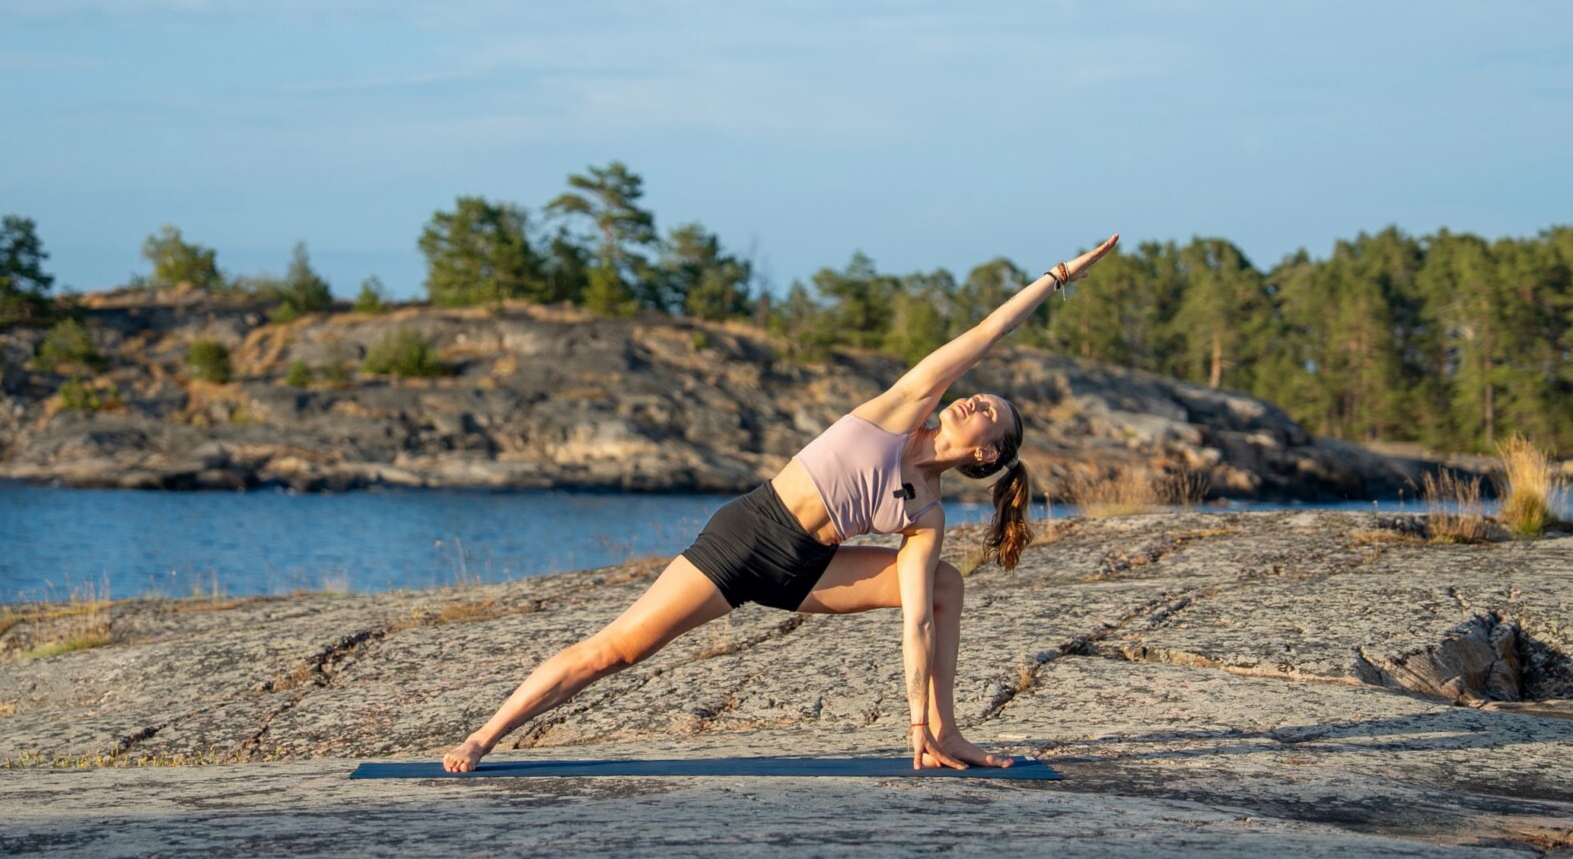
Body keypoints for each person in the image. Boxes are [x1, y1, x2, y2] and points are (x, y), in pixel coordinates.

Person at [443, 235, 1121, 772]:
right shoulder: (902, 407)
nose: (977, 401)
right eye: (981, 396)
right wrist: (1057, 277)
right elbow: (988, 332)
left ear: (987, 455)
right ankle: (484, 736)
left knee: (941, 585)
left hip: (810, 571)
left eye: (990, 416)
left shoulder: (928, 512)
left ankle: (945, 733)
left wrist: (913, 720)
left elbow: (916, 620)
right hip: (748, 536)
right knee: (615, 651)